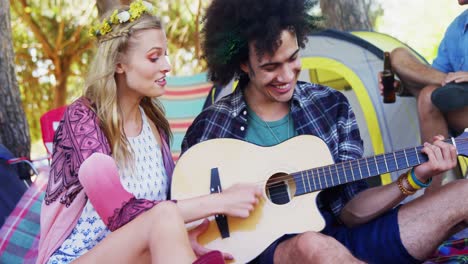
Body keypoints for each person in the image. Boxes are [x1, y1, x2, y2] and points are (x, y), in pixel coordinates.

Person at [181, 0, 467, 263]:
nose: (285, 76)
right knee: (312, 245)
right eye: (270, 67)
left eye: (292, 59)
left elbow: (353, 212)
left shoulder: (330, 106)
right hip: (268, 253)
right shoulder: (214, 125)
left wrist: (414, 178)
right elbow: (189, 210)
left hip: (343, 238)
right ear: (244, 65)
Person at [37, 1, 262, 263]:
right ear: (119, 64)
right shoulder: (82, 120)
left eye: (166, 54)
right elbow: (121, 212)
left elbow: (160, 212)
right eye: (154, 57)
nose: (167, 65)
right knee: (165, 215)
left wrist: (179, 238)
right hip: (75, 257)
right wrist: (219, 201)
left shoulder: (155, 124)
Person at [379, 1, 468, 190]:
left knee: (429, 95)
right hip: (458, 103)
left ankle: (433, 193)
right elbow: (433, 80)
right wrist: (401, 88)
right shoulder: (457, 28)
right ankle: (435, 191)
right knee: (398, 56)